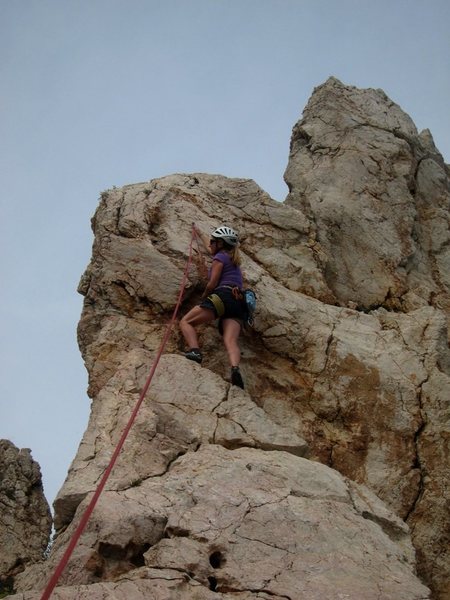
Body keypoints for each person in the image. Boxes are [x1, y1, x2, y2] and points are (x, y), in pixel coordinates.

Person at [179, 225, 246, 389]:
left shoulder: (220, 258)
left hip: (223, 296)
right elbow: (212, 249)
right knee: (230, 340)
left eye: (212, 242)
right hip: (239, 303)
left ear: (220, 244)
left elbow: (213, 283)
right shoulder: (233, 260)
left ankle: (195, 351)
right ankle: (235, 368)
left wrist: (205, 296)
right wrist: (199, 232)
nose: (209, 245)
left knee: (185, 322)